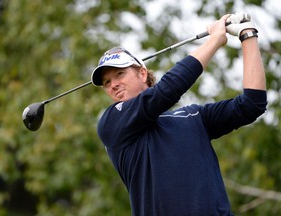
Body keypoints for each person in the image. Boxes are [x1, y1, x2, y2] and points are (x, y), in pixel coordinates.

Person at [91, 13, 267, 216]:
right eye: (106, 83)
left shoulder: (193, 116)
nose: (113, 84)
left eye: (119, 74)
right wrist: (215, 41)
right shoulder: (112, 124)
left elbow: (252, 104)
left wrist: (248, 34)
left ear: (142, 73)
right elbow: (167, 91)